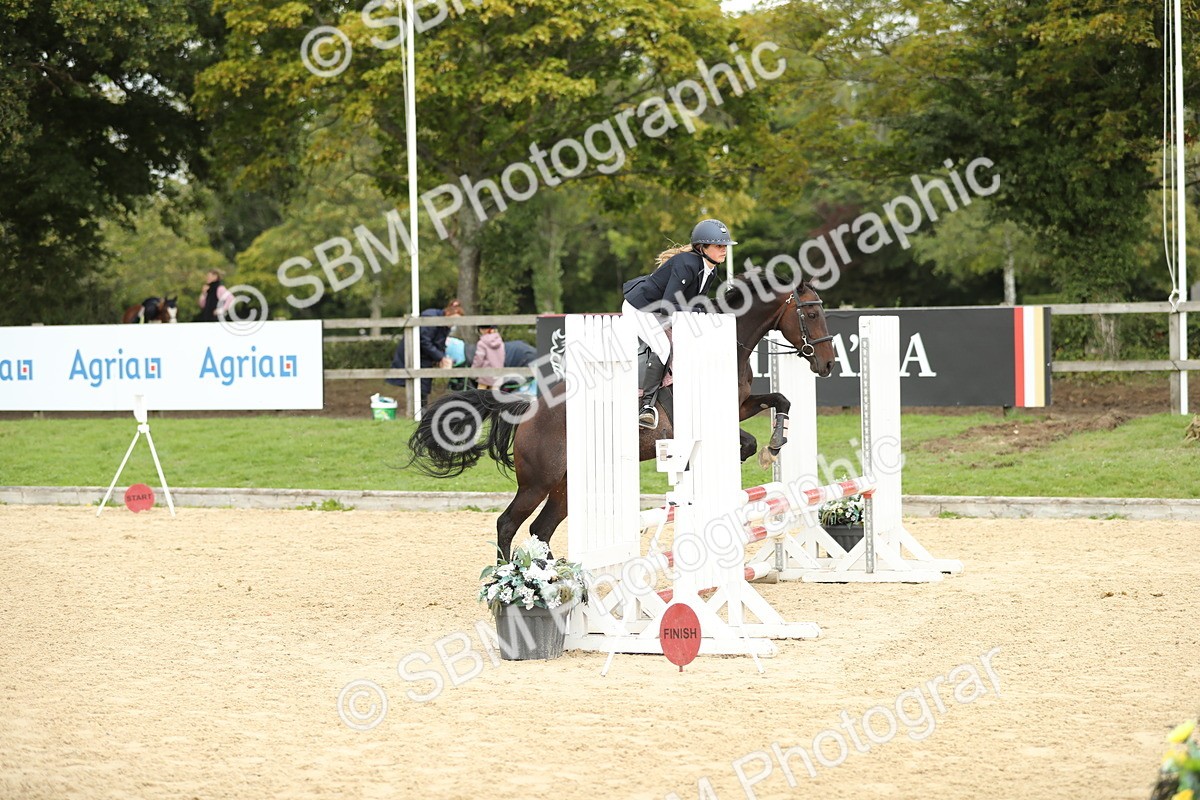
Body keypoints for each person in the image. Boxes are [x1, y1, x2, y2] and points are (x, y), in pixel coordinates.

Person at [622, 218, 735, 427]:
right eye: (719, 245)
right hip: (641, 308)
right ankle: (646, 407)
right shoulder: (686, 263)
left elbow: (693, 304)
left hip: (662, 310)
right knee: (664, 348)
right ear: (702, 247)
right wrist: (703, 309)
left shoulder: (711, 269)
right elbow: (670, 305)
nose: (724, 250)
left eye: (725, 245)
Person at [386, 299, 465, 404]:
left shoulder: (444, 325)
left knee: (423, 385)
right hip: (416, 355)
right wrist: (440, 357)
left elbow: (438, 343)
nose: (454, 324)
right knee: (420, 385)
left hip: (425, 356)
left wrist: (441, 357)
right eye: (454, 320)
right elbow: (424, 341)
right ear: (448, 313)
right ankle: (419, 411)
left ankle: (421, 411)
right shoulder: (430, 317)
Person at [471, 324, 507, 390]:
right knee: (495, 396)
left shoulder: (482, 343)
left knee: (480, 396)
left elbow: (478, 359)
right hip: (497, 373)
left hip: (485, 374)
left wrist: (473, 371)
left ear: (482, 330)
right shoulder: (500, 342)